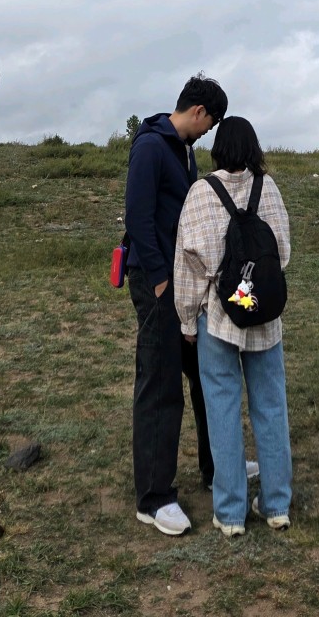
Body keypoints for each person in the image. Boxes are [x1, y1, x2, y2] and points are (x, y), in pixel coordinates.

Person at [175, 116, 292, 537]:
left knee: (222, 409)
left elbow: (188, 263)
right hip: (263, 315)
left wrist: (187, 318)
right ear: (254, 147)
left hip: (219, 317)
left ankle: (229, 513)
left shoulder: (201, 193)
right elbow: (282, 253)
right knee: (271, 406)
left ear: (219, 148)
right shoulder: (269, 188)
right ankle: (276, 505)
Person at [125, 73, 228, 535]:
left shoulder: (184, 150)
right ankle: (154, 498)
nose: (210, 131)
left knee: (206, 373)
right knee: (161, 383)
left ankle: (217, 466)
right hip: (158, 284)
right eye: (212, 122)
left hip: (184, 285)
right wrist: (161, 280)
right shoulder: (151, 146)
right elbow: (138, 217)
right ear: (199, 111)